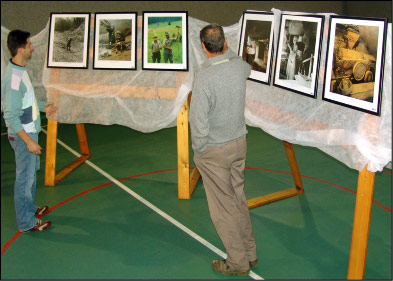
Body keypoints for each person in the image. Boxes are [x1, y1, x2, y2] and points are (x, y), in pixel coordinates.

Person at [189, 23, 258, 276]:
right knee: (238, 199)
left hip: (214, 151)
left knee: (223, 209)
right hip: (239, 144)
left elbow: (198, 121)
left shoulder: (204, 77)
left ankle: (238, 262)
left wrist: (199, 151)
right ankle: (250, 254)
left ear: (204, 47)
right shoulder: (240, 68)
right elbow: (246, 64)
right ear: (225, 44)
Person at [2, 30, 57, 233]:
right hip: (23, 136)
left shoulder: (20, 70)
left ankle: (30, 209)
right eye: (29, 44)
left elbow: (27, 102)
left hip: (29, 132)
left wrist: (44, 107)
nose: (32, 47)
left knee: (30, 176)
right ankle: (26, 222)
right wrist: (28, 141)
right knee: (24, 179)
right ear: (20, 49)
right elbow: (10, 116)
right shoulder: (14, 80)